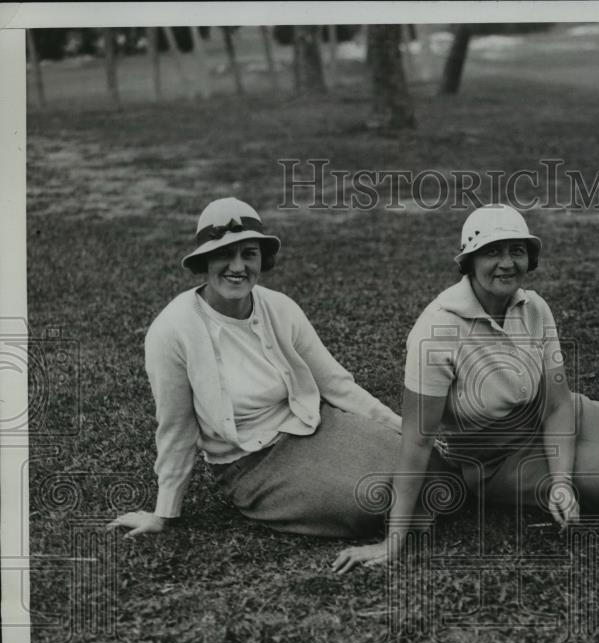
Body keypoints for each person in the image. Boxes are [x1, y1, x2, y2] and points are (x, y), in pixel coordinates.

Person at [332, 204, 599, 573]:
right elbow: (417, 443)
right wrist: (394, 540)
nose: (507, 264)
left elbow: (559, 403)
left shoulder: (534, 307)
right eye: (493, 252)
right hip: (493, 460)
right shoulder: (436, 330)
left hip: (556, 415)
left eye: (517, 251)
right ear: (469, 261)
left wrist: (560, 480)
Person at [108, 197, 402, 539]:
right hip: (250, 463)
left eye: (248, 254)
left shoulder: (280, 307)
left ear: (263, 258)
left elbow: (336, 385)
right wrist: (164, 512)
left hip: (312, 426)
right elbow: (176, 429)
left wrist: (402, 429)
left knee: (425, 464)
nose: (237, 266)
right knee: (370, 503)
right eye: (223, 254)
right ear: (204, 260)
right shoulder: (172, 330)